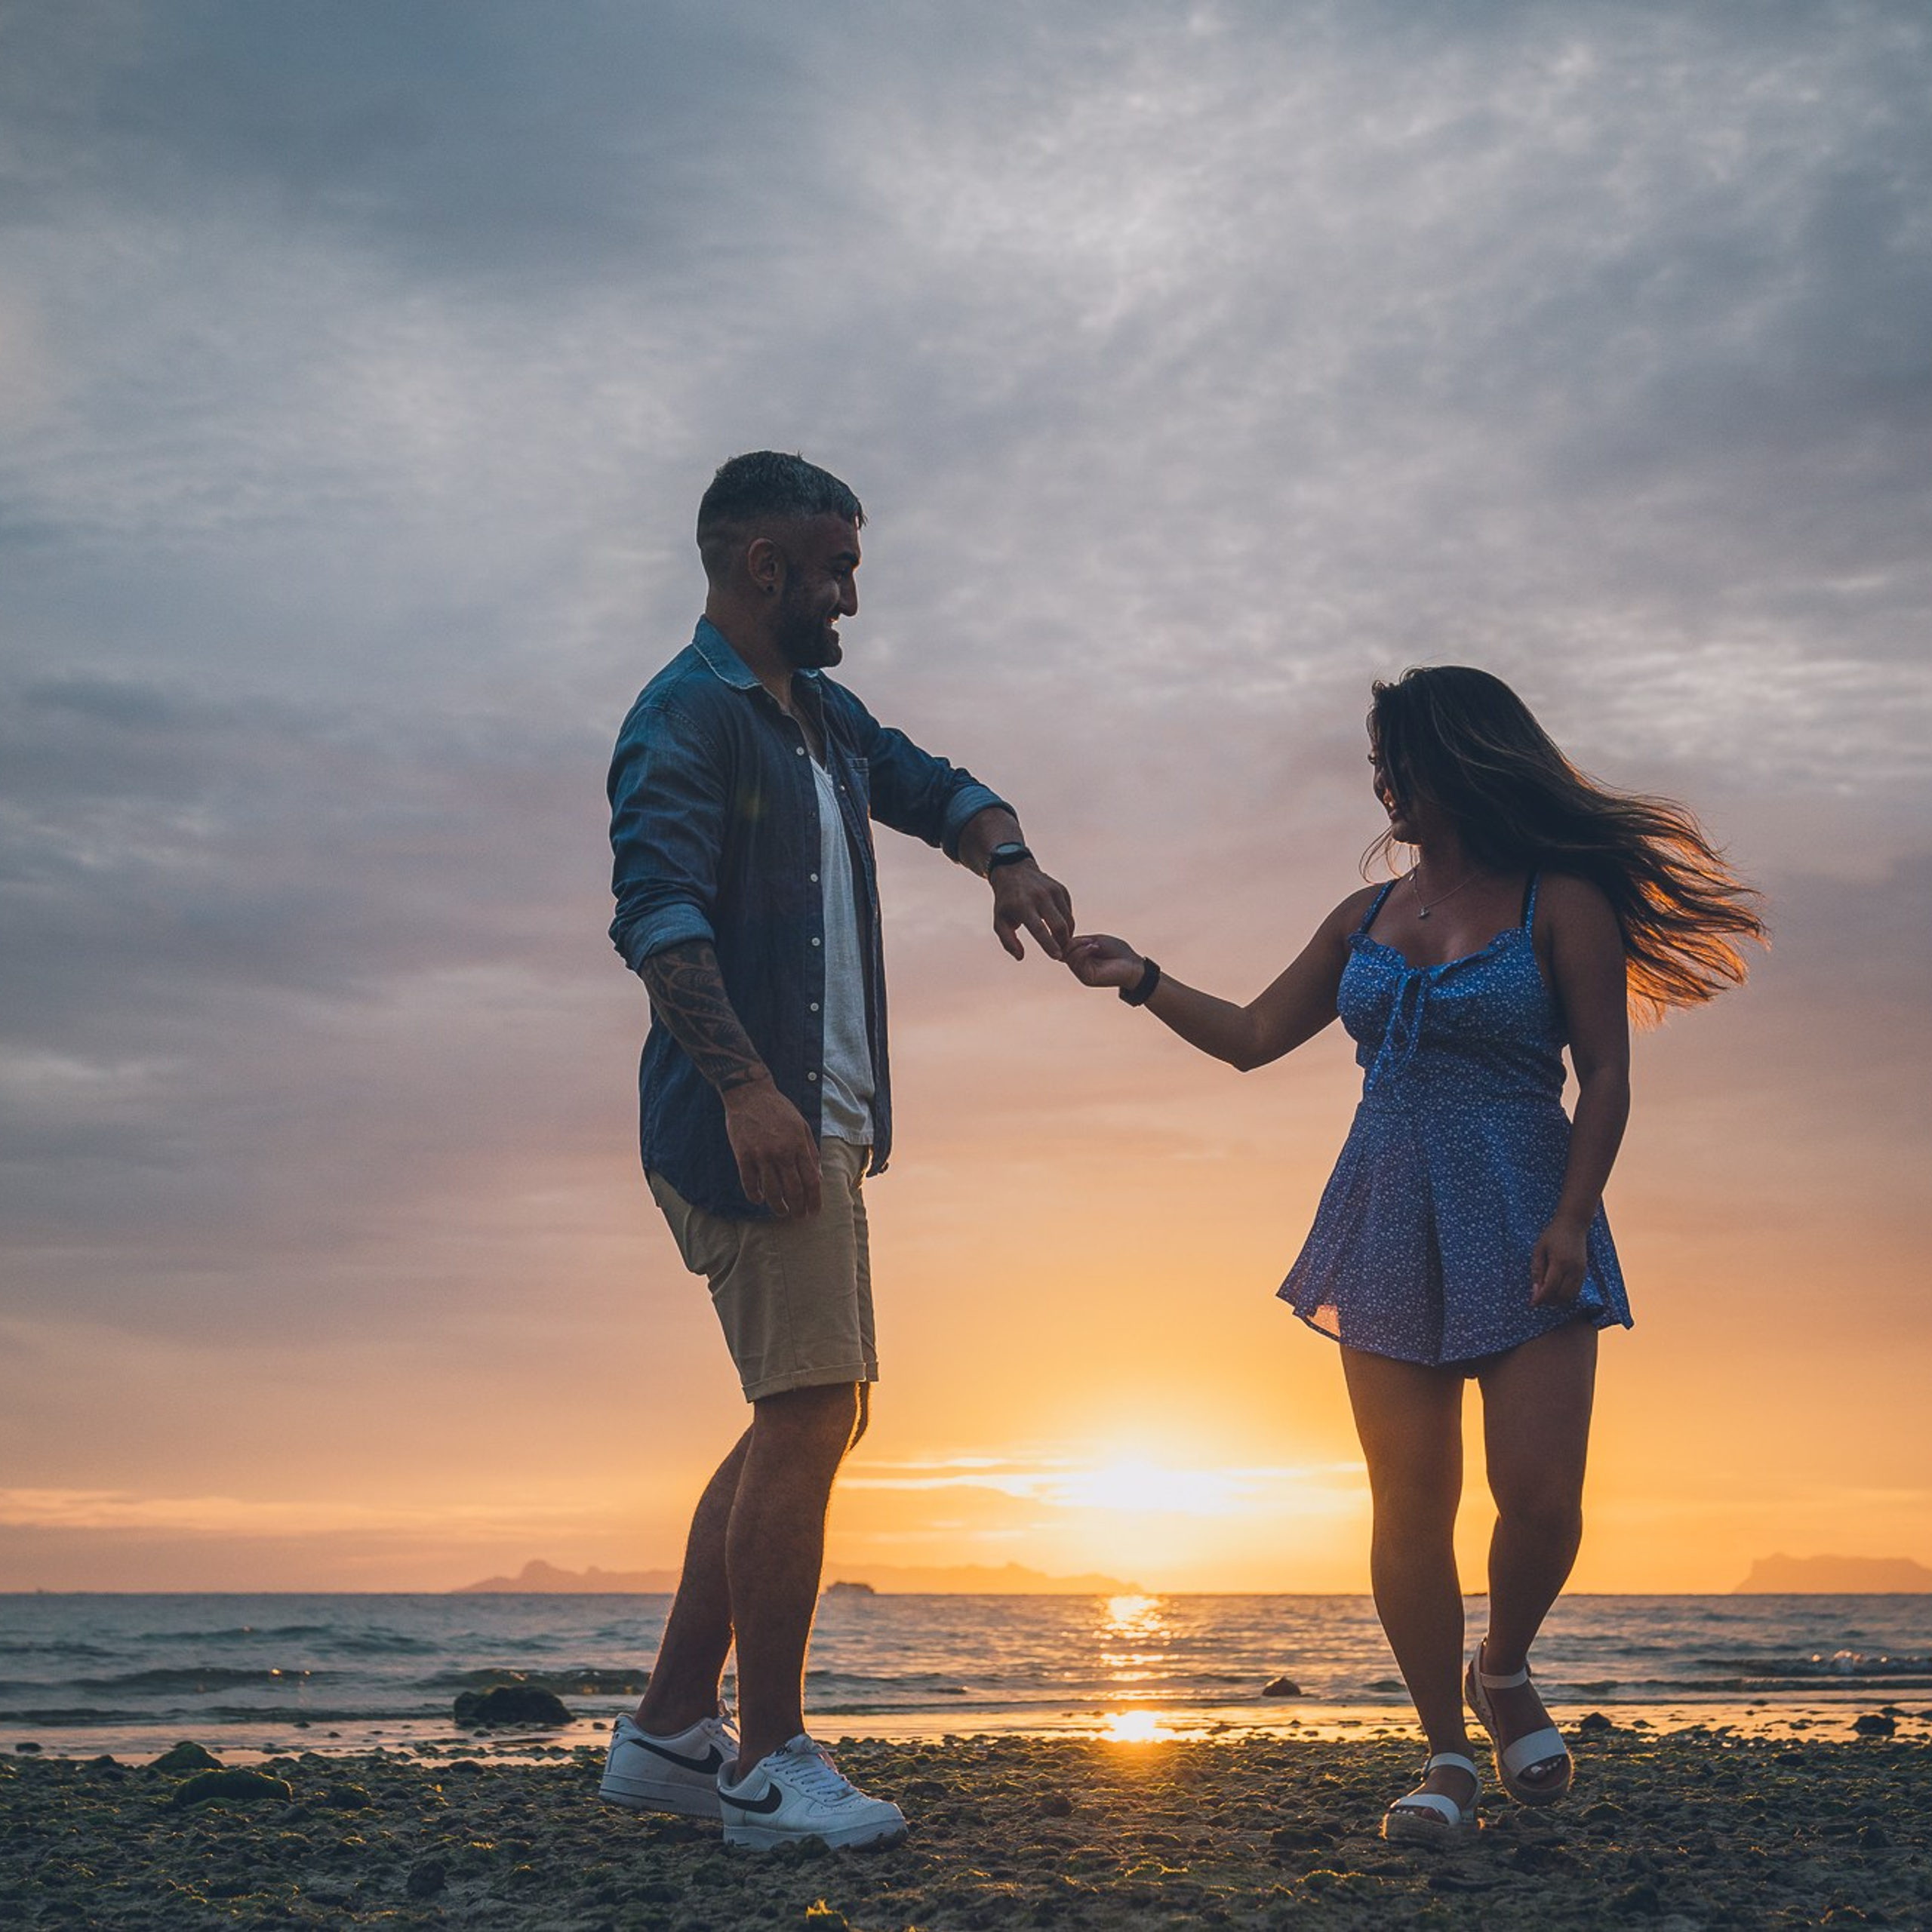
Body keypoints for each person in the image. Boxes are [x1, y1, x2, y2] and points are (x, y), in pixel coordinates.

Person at [1064, 666, 1763, 1844]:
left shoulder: (1562, 900)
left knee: (1539, 1501)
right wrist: (1140, 979)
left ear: (1458, 761)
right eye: (1376, 762)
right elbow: (1247, 1038)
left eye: (1395, 759)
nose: (1380, 781)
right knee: (1408, 1502)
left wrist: (1574, 1214)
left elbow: (1608, 1075)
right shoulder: (1364, 919)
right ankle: (1444, 1749)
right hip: (1386, 1213)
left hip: (1527, 1208)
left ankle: (1506, 1668)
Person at [601, 451, 1073, 1850]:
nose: (851, 598)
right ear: (764, 569)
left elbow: (937, 786)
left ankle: (671, 1737)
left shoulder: (821, 717)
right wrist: (750, 1095)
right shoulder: (684, 720)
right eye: (837, 571)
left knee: (810, 1410)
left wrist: (1009, 857)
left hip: (830, 1122)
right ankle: (768, 1764)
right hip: (754, 1125)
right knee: (810, 1411)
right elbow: (656, 917)